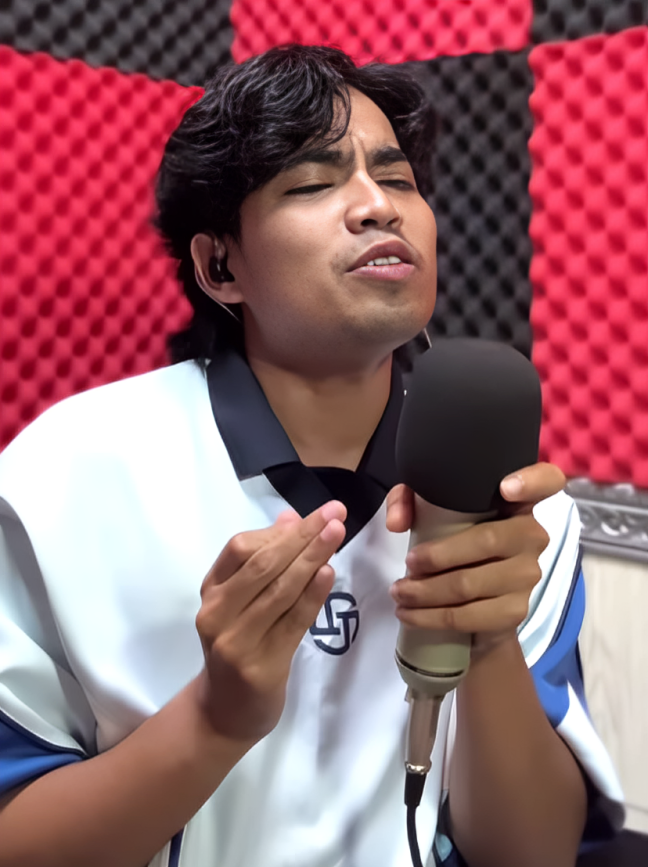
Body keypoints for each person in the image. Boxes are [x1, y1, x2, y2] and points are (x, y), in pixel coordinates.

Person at [0, 44, 623, 867]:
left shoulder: (518, 514)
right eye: (313, 184)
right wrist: (216, 719)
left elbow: (531, 852)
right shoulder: (65, 477)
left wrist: (488, 638)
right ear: (220, 264)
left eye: (398, 179)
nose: (378, 206)